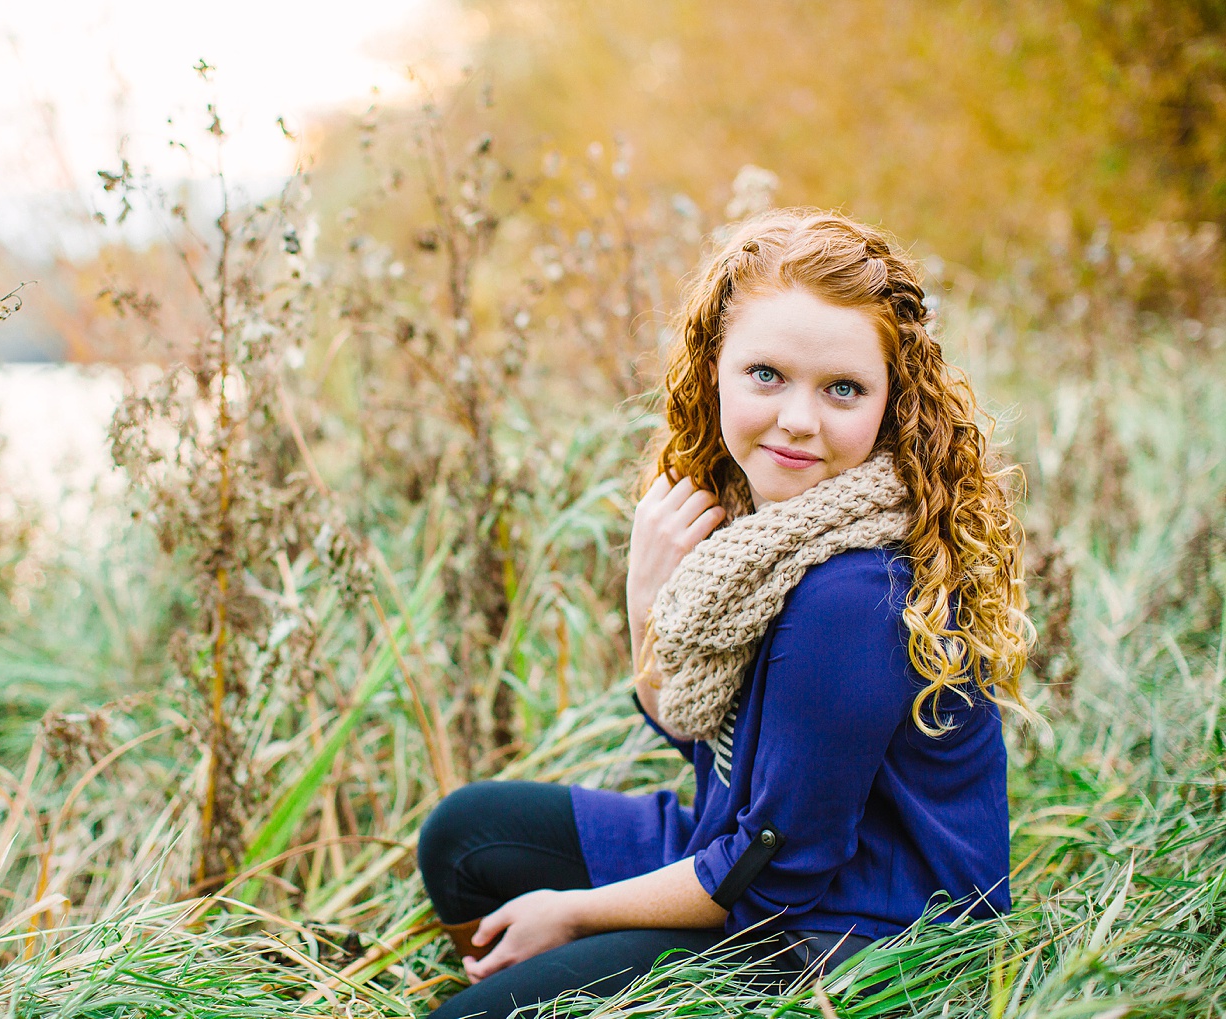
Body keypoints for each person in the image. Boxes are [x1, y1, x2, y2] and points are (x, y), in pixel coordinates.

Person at [416, 208, 1032, 1019]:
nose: (798, 419)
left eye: (842, 388)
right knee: (466, 834)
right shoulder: (772, 526)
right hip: (761, 854)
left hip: (853, 941)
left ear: (892, 401)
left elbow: (772, 874)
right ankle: (538, 979)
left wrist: (568, 916)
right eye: (766, 375)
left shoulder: (855, 591)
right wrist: (647, 600)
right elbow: (711, 740)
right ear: (714, 369)